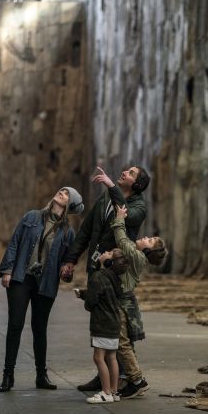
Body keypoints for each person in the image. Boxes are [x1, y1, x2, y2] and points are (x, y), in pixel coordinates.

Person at [60, 164, 150, 391]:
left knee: (118, 326)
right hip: (96, 267)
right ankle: (104, 376)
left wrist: (111, 186)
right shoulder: (104, 200)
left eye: (130, 173)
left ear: (137, 184)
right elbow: (86, 231)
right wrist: (71, 260)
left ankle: (127, 377)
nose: (124, 173)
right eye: (126, 170)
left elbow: (127, 216)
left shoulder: (139, 206)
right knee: (101, 322)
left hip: (116, 272)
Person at [0, 186, 84, 392]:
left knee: (40, 328)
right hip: (20, 277)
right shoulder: (32, 217)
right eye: (61, 191)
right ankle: (8, 375)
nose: (61, 193)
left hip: (45, 283)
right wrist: (7, 270)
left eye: (66, 194)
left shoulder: (67, 232)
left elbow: (67, 263)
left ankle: (41, 376)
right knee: (15, 326)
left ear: (69, 205)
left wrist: (67, 272)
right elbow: (14, 243)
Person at [110, 204, 168, 398]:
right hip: (124, 301)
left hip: (123, 304)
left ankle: (137, 380)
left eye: (149, 240)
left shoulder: (136, 256)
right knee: (124, 342)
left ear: (148, 251)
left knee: (122, 342)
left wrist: (119, 218)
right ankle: (127, 379)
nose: (145, 237)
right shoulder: (138, 256)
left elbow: (122, 240)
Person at [81, 249, 127, 404]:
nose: (105, 251)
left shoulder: (98, 277)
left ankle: (106, 392)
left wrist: (86, 299)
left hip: (102, 324)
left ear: (109, 262)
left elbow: (91, 303)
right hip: (114, 323)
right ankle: (114, 392)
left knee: (98, 358)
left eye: (109, 253)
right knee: (112, 357)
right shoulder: (116, 278)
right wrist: (83, 294)